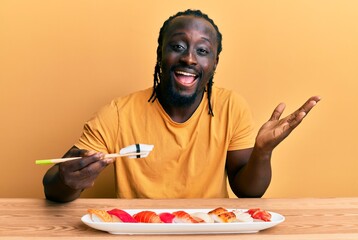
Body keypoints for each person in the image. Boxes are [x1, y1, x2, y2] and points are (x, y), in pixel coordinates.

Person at [42, 9, 320, 202]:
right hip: (140, 231)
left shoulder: (230, 106)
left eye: (202, 51)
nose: (189, 58)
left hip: (209, 229)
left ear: (214, 64)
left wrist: (262, 152)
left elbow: (247, 192)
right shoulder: (118, 113)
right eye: (177, 46)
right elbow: (52, 188)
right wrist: (69, 181)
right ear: (160, 54)